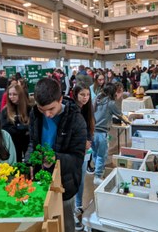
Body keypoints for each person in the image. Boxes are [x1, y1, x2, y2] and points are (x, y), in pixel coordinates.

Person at [25, 78, 87, 232]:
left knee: (65, 224)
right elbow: (33, 142)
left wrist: (56, 158)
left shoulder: (76, 120)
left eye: (51, 109)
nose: (47, 114)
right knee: (45, 223)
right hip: (41, 181)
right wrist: (29, 162)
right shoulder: (35, 114)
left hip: (65, 184)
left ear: (60, 99)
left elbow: (78, 159)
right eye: (42, 109)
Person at [92, 83, 129, 185]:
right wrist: (130, 122)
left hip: (92, 132)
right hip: (102, 133)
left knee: (95, 154)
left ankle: (98, 172)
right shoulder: (110, 103)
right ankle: (98, 176)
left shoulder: (96, 98)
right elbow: (120, 115)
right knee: (101, 155)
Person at [72, 82, 95, 231]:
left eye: (87, 94)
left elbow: (90, 127)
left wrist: (89, 140)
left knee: (81, 178)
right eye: (82, 94)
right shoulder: (73, 110)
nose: (85, 97)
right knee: (75, 178)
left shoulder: (87, 109)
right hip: (75, 150)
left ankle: (79, 205)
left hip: (85, 150)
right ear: (75, 95)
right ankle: (74, 208)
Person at [1, 84, 30, 162]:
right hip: (13, 142)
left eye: (14, 94)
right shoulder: (5, 110)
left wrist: (21, 128)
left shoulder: (29, 108)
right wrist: (20, 129)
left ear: (20, 95)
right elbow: (4, 127)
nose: (11, 97)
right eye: (10, 94)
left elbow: (31, 125)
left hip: (27, 141)